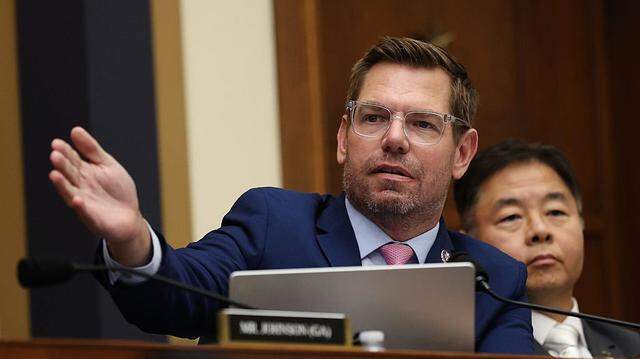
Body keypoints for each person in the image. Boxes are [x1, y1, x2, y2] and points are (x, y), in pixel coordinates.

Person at [48, 37, 533, 353]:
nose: (394, 139)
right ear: (344, 138)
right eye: (373, 117)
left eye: (423, 124)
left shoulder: (495, 281)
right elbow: (173, 297)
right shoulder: (272, 225)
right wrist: (133, 240)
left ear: (462, 153)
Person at [454, 139, 640, 357]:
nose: (540, 230)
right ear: (470, 242)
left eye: (555, 212)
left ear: (581, 222)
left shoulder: (632, 348)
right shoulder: (462, 351)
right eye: (511, 217)